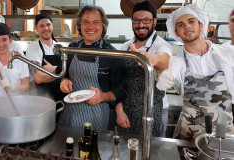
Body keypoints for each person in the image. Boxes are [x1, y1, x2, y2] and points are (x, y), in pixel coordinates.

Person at [164, 4, 234, 141]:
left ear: (201, 25)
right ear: (177, 33)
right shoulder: (178, 61)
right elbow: (168, 72)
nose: (187, 27)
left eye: (191, 21)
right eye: (181, 25)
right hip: (189, 136)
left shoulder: (228, 53)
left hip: (224, 135)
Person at [54, 5, 127, 132]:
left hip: (97, 116)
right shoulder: (71, 48)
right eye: (86, 22)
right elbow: (59, 73)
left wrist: (102, 97)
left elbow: (121, 89)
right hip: (70, 114)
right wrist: (63, 81)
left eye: (96, 22)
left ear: (102, 26)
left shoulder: (111, 54)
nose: (90, 27)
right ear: (80, 25)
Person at [116, 1, 172, 137]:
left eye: (146, 20)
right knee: (126, 150)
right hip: (127, 111)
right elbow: (118, 82)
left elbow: (164, 59)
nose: (141, 25)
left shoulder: (160, 45)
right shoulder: (126, 46)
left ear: (154, 21)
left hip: (152, 112)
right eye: (136, 20)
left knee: (151, 152)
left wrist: (152, 59)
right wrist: (119, 111)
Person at [26, 13, 61, 100]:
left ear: (52, 26)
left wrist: (53, 68)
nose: (46, 28)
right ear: (36, 29)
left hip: (61, 96)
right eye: (42, 26)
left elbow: (70, 71)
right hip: (42, 98)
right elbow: (38, 78)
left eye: (48, 25)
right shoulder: (33, 48)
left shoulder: (61, 47)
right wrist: (61, 72)